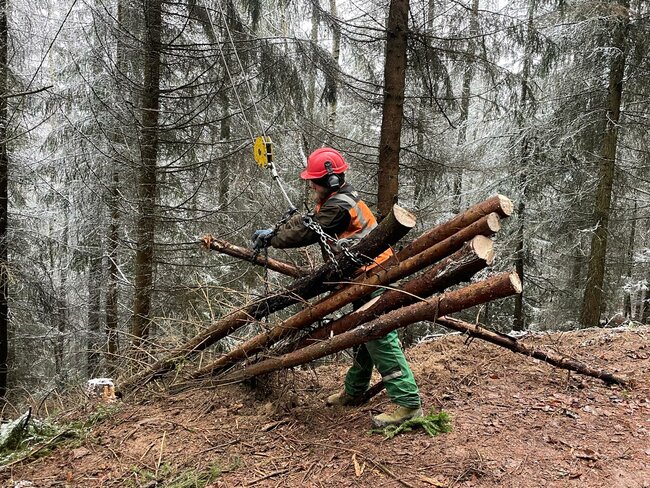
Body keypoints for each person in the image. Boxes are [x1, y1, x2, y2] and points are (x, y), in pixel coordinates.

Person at [252, 147, 422, 428]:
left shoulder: (338, 207)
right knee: (363, 334)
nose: (310, 184)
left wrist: (274, 240)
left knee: (378, 336)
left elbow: (308, 231)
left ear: (328, 181)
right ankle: (355, 391)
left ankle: (408, 404)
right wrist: (274, 230)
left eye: (312, 180)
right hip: (366, 275)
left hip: (374, 276)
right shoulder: (335, 198)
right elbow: (308, 221)